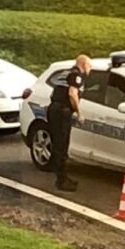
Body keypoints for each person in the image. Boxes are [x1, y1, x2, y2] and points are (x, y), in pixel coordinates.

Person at [47, 54, 92, 192]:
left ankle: (61, 176)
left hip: (54, 109)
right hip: (62, 112)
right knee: (61, 145)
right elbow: (72, 94)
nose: (90, 69)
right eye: (89, 65)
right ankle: (62, 180)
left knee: (57, 144)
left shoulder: (65, 73)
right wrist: (79, 113)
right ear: (83, 64)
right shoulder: (76, 76)